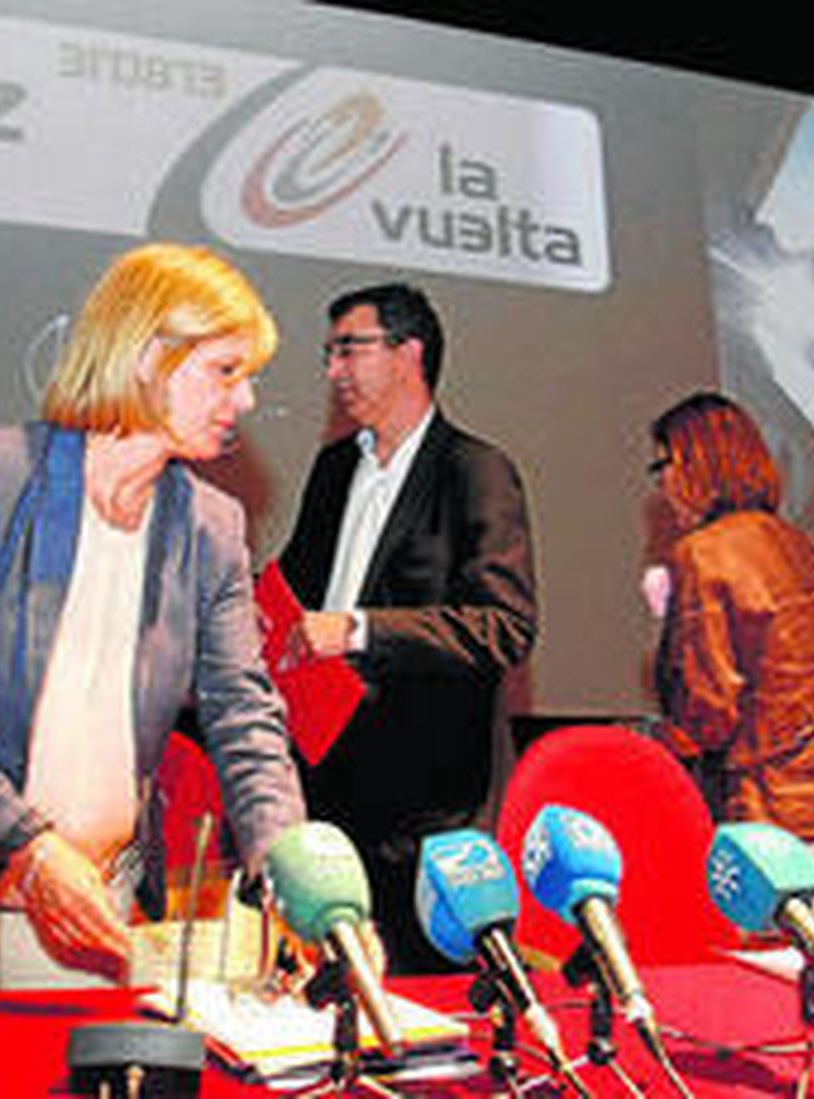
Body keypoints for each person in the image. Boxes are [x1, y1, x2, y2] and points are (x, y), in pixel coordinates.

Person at [0, 244, 305, 989]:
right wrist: (30, 847)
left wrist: (291, 870)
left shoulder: (215, 526)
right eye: (226, 370)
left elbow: (246, 716)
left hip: (94, 902)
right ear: (146, 356)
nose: (243, 401)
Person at [278, 283, 537, 972]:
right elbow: (300, 587)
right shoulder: (335, 468)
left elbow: (503, 626)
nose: (333, 370)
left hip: (426, 812)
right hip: (325, 787)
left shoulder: (474, 470)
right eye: (328, 353)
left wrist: (361, 628)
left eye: (349, 349)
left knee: (425, 1016)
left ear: (409, 353)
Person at [650, 392, 814, 932]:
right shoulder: (802, 544)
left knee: (774, 972)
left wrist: (662, 737)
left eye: (662, 465)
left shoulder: (705, 553)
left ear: (695, 463)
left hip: (765, 805)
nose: (660, 485)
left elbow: (712, 707)